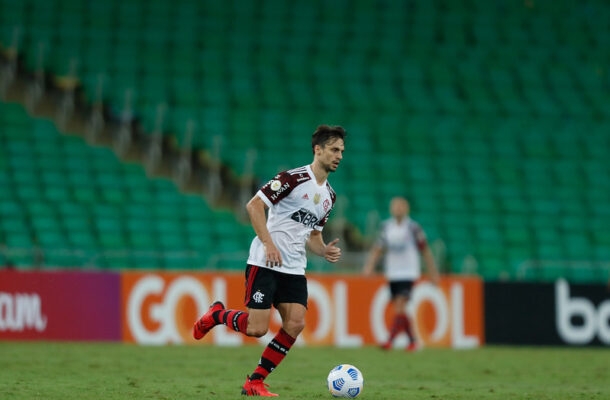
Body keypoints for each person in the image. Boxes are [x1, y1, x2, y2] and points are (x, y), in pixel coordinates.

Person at [192, 125, 346, 397]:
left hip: (295, 267)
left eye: (342, 151)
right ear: (317, 149)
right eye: (334, 149)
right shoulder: (292, 179)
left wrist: (323, 251)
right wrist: (268, 243)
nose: (339, 156)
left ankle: (255, 381)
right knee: (256, 328)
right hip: (266, 262)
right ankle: (216, 315)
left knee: (296, 323)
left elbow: (313, 236)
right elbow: (254, 205)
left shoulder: (329, 197)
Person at [362, 196, 439, 351]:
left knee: (400, 305)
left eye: (401, 206)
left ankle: (390, 340)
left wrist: (433, 272)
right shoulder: (386, 227)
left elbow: (425, 250)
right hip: (393, 273)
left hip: (409, 272)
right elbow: (378, 248)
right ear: (391, 209)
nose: (398, 209)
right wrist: (369, 266)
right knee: (399, 308)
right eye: (395, 206)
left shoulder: (413, 227)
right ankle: (412, 341)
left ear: (406, 209)